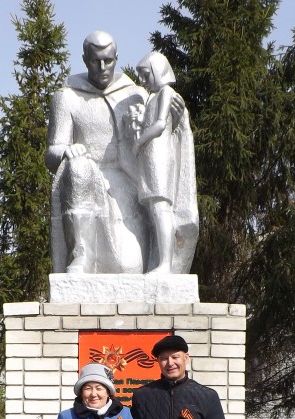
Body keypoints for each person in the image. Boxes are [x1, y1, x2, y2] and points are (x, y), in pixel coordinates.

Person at [45, 31, 198, 275]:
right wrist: (66, 150)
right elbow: (51, 153)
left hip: (130, 183)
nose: (102, 67)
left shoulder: (135, 94)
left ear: (117, 58)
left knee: (129, 267)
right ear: (85, 60)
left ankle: (160, 262)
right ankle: (81, 255)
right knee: (78, 167)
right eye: (95, 61)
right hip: (86, 183)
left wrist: (176, 121)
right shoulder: (67, 97)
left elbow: (159, 136)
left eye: (108, 60)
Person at [131, 51, 198, 274]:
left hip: (159, 154)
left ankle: (165, 264)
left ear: (157, 70)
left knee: (161, 208)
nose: (142, 79)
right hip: (151, 155)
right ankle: (160, 261)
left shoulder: (166, 92)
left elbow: (160, 124)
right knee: (155, 208)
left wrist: (139, 142)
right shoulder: (152, 96)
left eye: (145, 73)